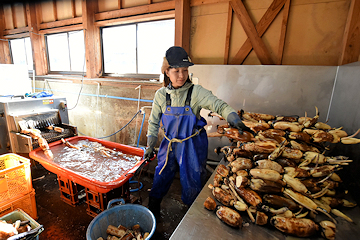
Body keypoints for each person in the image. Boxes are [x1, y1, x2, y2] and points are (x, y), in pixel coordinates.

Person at [144, 46, 251, 219]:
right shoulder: (161, 95)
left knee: (192, 180)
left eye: (185, 70)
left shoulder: (196, 92)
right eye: (176, 70)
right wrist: (150, 146)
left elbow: (219, 105)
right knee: (161, 175)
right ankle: (152, 211)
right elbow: (154, 122)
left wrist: (234, 119)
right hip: (170, 144)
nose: (181, 75)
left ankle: (190, 218)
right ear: (166, 71)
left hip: (191, 145)